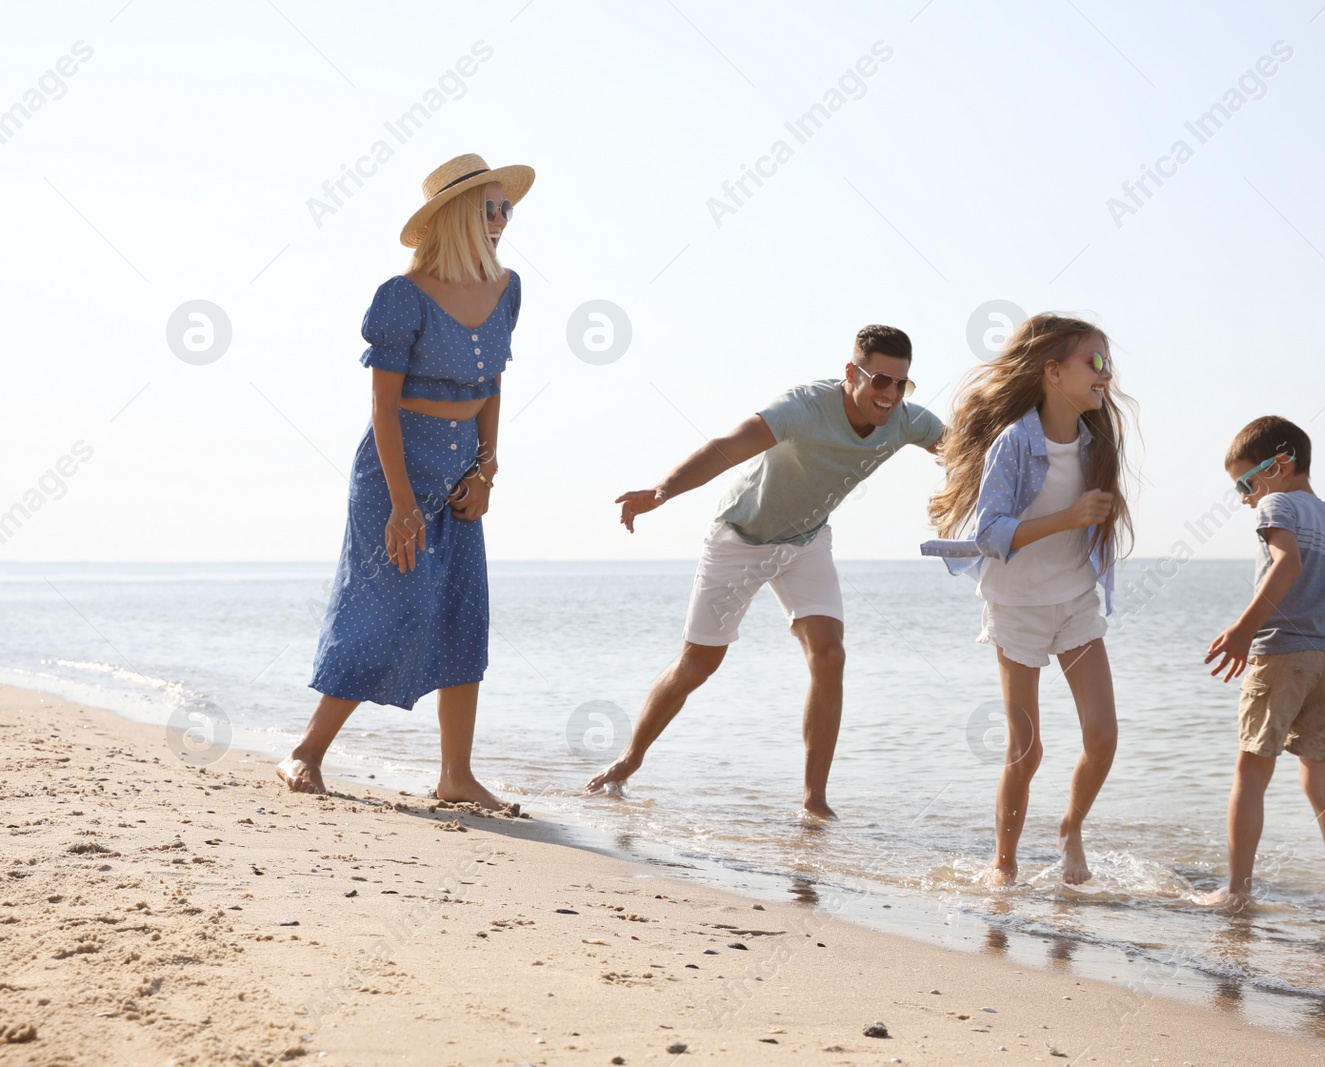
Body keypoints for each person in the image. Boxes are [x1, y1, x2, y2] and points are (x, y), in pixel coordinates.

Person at [582, 325, 945, 818]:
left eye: (902, 384)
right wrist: (663, 491)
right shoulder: (803, 407)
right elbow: (727, 445)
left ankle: (814, 800)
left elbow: (966, 453)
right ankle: (629, 759)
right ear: (851, 373)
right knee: (699, 664)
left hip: (806, 541)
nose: (890, 395)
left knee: (829, 655)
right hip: (740, 539)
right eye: (881, 380)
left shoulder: (905, 421)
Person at [277, 153, 533, 811]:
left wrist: (487, 469)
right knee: (389, 609)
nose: (504, 217)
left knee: (463, 614)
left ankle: (456, 776)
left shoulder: (509, 290)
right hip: (394, 472)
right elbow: (383, 407)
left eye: (506, 206)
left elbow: (492, 387)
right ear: (457, 217)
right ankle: (305, 752)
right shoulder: (403, 296)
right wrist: (398, 503)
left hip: (461, 474)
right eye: (490, 206)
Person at [923, 314, 1133, 885]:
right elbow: (991, 533)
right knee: (1026, 749)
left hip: (1075, 601)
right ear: (1052, 371)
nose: (1105, 376)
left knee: (1104, 736)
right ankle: (1004, 862)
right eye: (1095, 362)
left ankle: (1070, 830)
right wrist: (1068, 518)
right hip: (1017, 607)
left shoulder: (1095, 444)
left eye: (1107, 364)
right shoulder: (1015, 442)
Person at [1202, 415, 1325, 913]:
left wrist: (1244, 630)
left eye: (1247, 482)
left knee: (1251, 772)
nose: (1247, 498)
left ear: (1283, 464)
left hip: (1281, 652)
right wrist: (1324, 648)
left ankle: (1236, 890)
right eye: (1239, 490)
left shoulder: (1278, 504)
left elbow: (1286, 563)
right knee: (1321, 782)